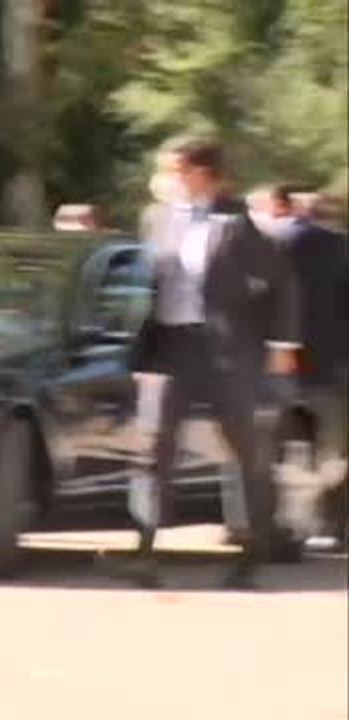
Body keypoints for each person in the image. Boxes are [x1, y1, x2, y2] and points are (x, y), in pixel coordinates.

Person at [122, 138, 302, 589]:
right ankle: (143, 551)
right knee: (153, 447)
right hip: (171, 348)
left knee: (243, 452)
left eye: (175, 170)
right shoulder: (156, 218)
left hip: (225, 352)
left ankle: (251, 556)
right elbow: (144, 285)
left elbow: (284, 283)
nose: (167, 179)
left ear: (201, 174)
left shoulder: (237, 222)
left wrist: (281, 343)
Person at [250, 186, 349, 550]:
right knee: (333, 452)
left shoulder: (268, 242)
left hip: (276, 364)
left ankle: (276, 528)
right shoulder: (340, 247)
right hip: (332, 366)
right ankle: (330, 526)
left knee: (274, 453)